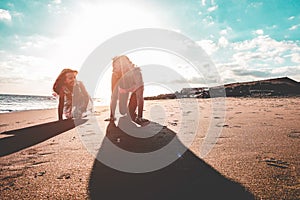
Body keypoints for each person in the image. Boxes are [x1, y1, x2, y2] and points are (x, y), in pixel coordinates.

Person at [109, 55, 149, 126]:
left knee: (130, 114)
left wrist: (140, 117)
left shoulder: (136, 72)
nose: (115, 68)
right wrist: (112, 116)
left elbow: (140, 96)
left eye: (117, 65)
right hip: (123, 91)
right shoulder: (115, 75)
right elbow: (113, 96)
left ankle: (135, 114)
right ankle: (124, 109)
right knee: (122, 112)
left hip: (134, 91)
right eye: (114, 66)